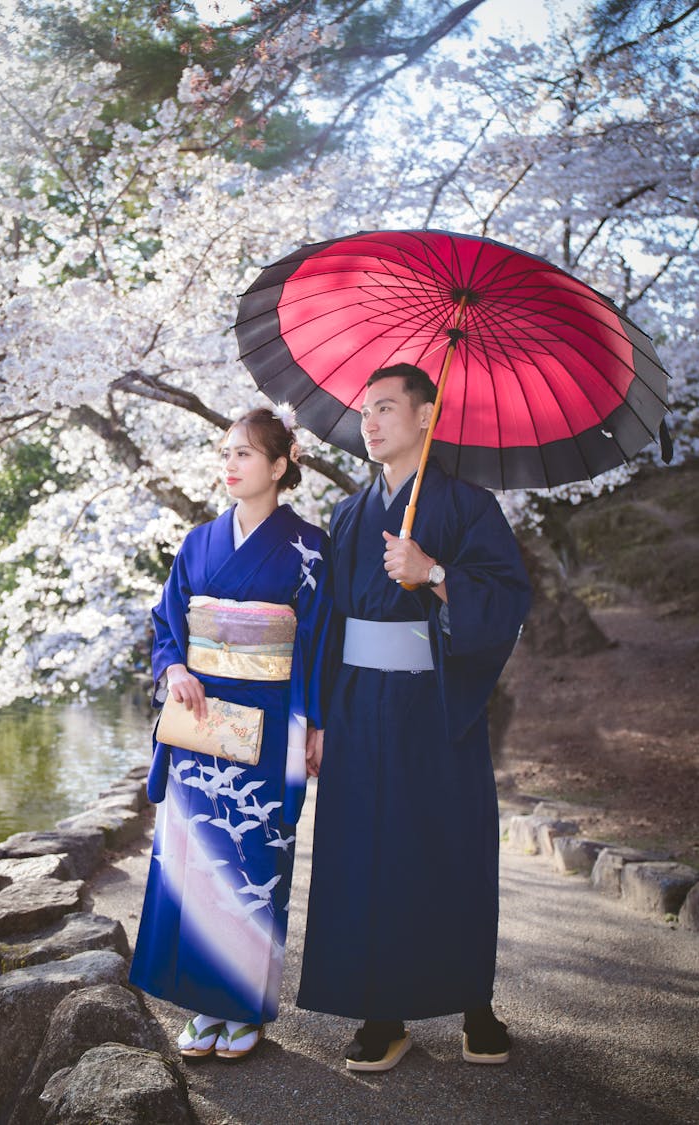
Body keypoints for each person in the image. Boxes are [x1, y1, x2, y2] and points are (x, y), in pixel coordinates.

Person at [297, 364, 532, 1072]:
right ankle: (382, 1012)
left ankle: (474, 1003)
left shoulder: (467, 505)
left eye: (387, 408)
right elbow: (327, 624)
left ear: (428, 416)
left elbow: (508, 597)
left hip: (435, 701)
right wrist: (320, 716)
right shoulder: (347, 513)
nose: (370, 422)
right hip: (358, 701)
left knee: (447, 845)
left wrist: (433, 573)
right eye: (365, 410)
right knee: (364, 849)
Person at [130, 406, 333, 1061]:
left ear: (280, 465)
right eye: (226, 451)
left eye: (244, 453)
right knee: (193, 862)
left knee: (252, 859)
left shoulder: (310, 548)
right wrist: (177, 664)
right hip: (200, 721)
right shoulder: (198, 543)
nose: (230, 463)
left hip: (271, 721)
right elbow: (167, 623)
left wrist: (319, 721)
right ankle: (200, 1002)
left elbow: (325, 641)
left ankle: (242, 1007)